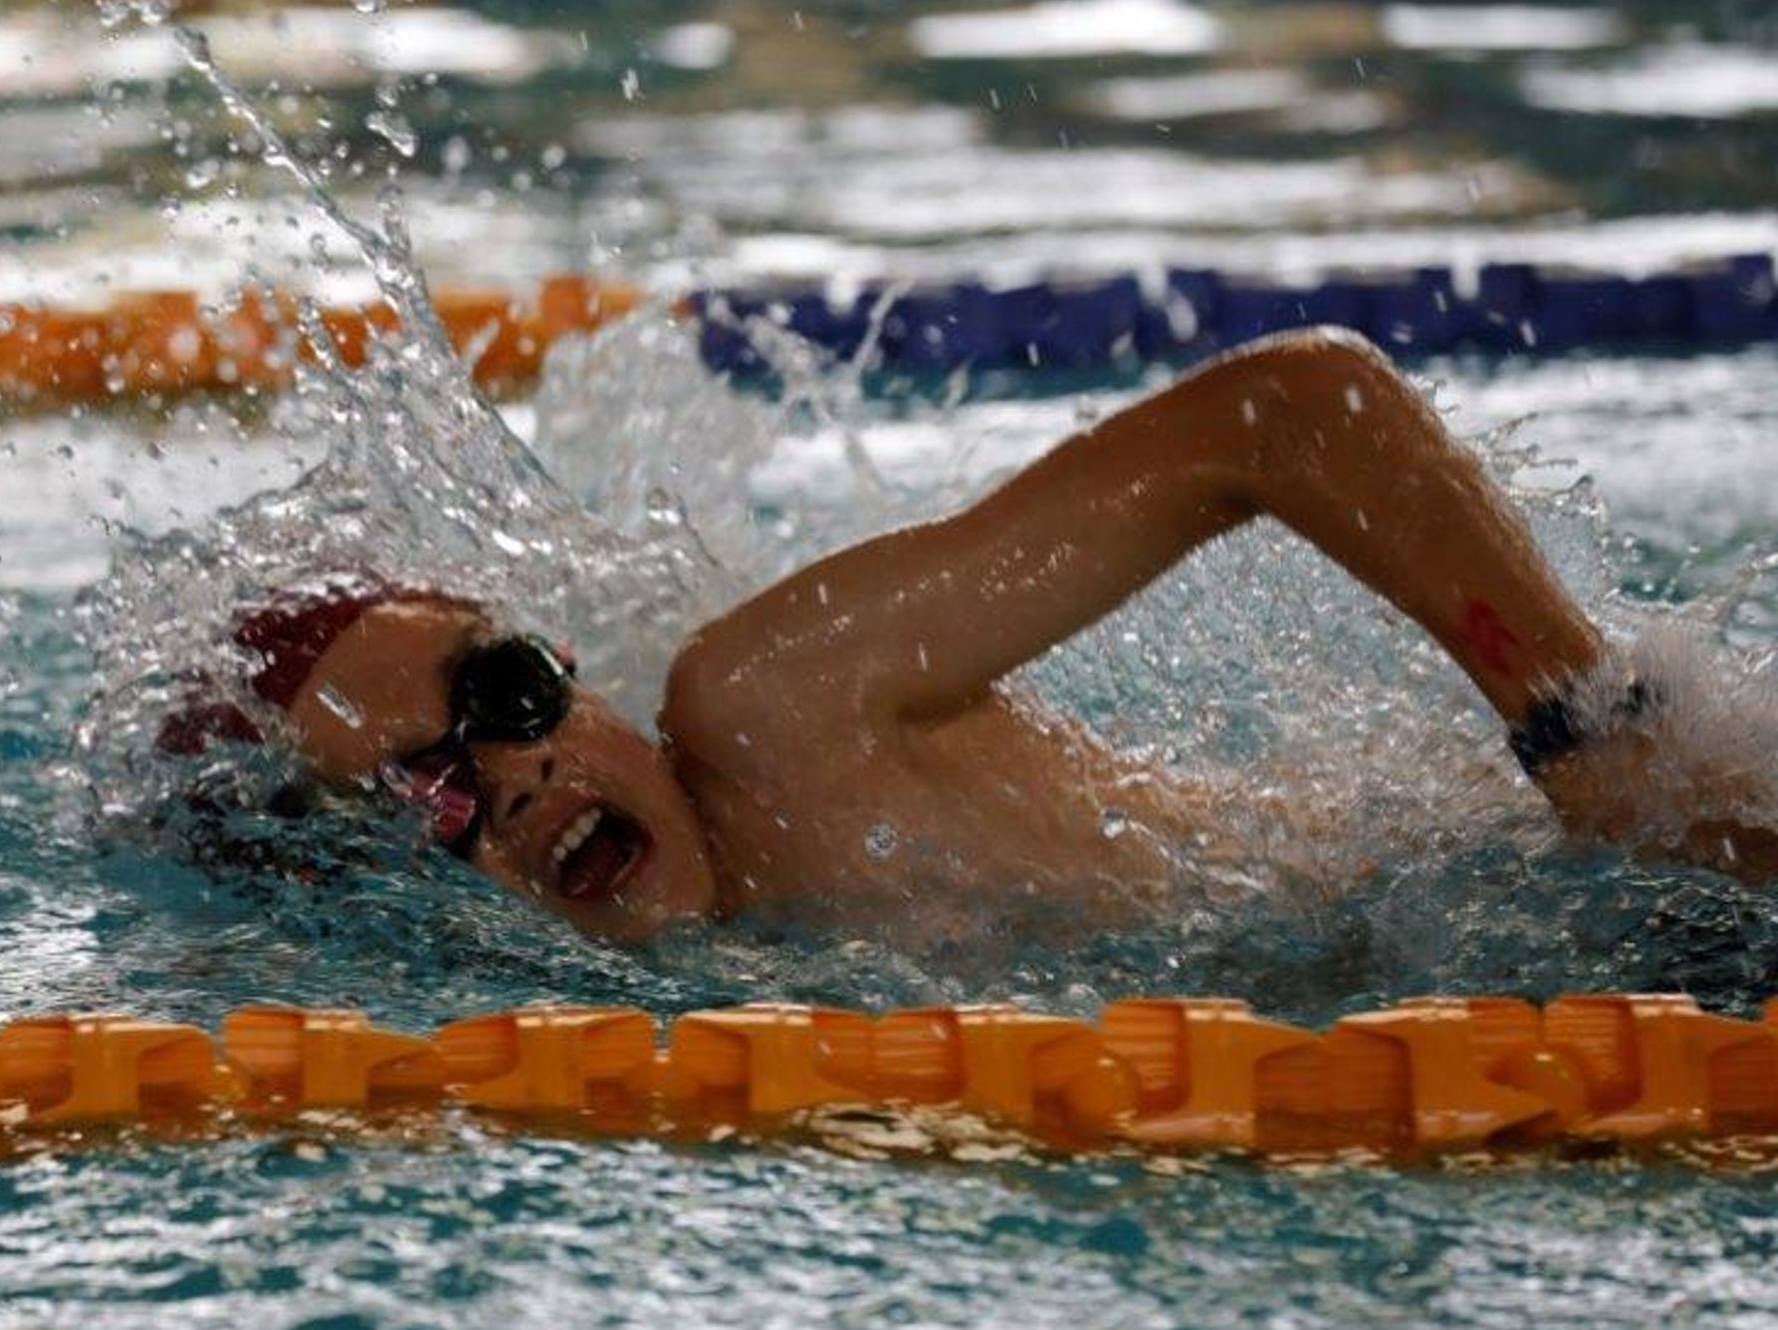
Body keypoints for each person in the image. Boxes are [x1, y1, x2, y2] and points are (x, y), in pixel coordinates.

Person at [205, 328, 1774, 942]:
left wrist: (1591, 734)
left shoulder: (772, 709)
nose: (516, 781)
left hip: (1622, 881)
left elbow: (1293, 411)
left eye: (502, 694)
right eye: (430, 795)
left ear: (575, 680)